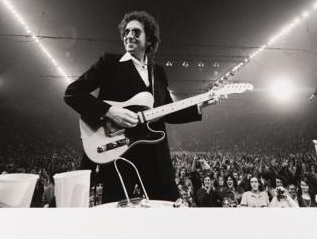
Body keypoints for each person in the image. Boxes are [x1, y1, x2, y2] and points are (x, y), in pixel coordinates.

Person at [64, 11, 217, 204]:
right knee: (117, 214)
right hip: (118, 153)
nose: (129, 35)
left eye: (136, 32)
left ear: (149, 40)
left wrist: (199, 105)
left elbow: (168, 111)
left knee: (167, 212)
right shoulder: (109, 64)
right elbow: (72, 93)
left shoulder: (158, 72)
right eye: (126, 32)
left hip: (156, 159)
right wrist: (109, 111)